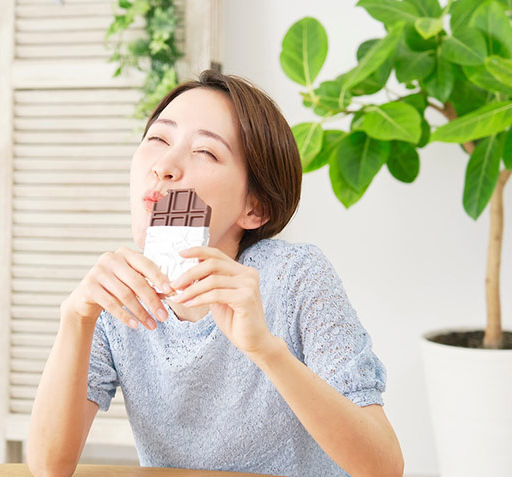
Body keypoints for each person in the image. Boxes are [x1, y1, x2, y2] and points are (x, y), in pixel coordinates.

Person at [27, 70, 404, 477]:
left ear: (254, 208)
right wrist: (76, 319)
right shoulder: (117, 299)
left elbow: (383, 467)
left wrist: (265, 349)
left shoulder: (296, 277)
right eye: (158, 139)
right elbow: (50, 467)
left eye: (206, 152)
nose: (166, 166)